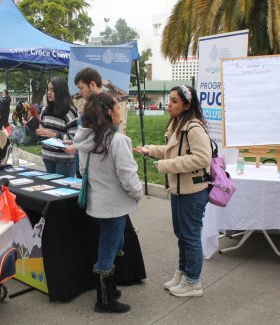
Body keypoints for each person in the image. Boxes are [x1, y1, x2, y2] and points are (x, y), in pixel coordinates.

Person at [134, 84, 211, 297]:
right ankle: (184, 272)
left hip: (193, 191)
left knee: (190, 236)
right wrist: (150, 150)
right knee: (182, 234)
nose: (169, 104)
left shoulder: (194, 127)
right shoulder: (178, 124)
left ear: (187, 105)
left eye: (174, 101)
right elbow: (171, 151)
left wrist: (165, 166)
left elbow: (202, 158)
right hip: (179, 190)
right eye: (169, 100)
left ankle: (193, 282)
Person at [73, 92, 143, 313]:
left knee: (115, 245)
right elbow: (128, 178)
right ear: (110, 113)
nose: (120, 112)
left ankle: (110, 289)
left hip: (97, 205)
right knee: (108, 249)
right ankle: (104, 300)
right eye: (117, 108)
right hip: (114, 207)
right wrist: (137, 193)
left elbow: (83, 171)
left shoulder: (86, 141)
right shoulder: (117, 141)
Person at [65, 67, 104, 176]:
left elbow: (102, 137)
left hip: (94, 168)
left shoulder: (105, 105)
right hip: (84, 165)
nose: (79, 92)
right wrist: (75, 143)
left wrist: (77, 147)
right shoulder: (92, 104)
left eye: (81, 88)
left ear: (92, 84)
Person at [36, 76, 78, 177]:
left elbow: (74, 138)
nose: (49, 93)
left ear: (61, 92)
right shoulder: (45, 110)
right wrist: (40, 133)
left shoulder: (69, 111)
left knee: (64, 190)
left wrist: (53, 135)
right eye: (48, 89)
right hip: (47, 157)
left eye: (52, 90)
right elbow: (42, 132)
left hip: (64, 160)